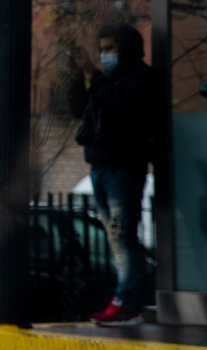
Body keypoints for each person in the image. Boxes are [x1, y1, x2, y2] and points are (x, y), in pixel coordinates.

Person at [67, 23, 157, 326]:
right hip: (101, 167)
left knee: (123, 236)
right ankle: (125, 298)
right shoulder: (108, 81)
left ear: (126, 49)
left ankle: (128, 300)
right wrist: (77, 76)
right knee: (115, 237)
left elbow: (116, 100)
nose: (104, 55)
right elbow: (81, 109)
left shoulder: (140, 79)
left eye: (110, 49)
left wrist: (95, 74)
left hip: (124, 169)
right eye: (101, 50)